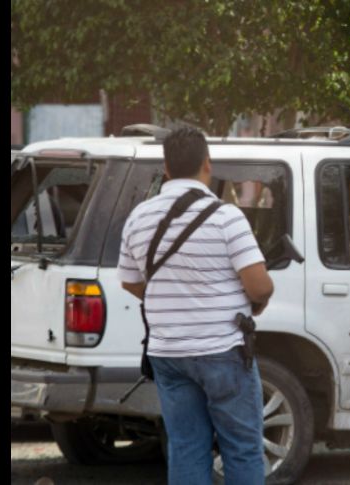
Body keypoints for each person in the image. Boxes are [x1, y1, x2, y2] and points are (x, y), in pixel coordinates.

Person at [118, 126, 273, 485]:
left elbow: (129, 281)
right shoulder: (226, 217)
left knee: (186, 447)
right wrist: (256, 298)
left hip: (168, 353)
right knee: (242, 447)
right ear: (207, 164)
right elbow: (259, 286)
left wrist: (173, 297)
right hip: (223, 350)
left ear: (166, 168)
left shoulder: (139, 217)